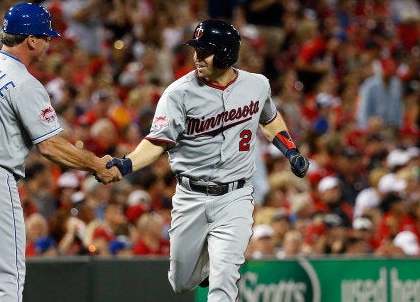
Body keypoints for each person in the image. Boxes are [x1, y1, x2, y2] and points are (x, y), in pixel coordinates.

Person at [106, 20, 309, 301]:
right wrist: (126, 164)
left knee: (225, 281)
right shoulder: (179, 93)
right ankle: (204, 266)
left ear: (227, 53)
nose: (196, 57)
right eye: (196, 50)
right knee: (181, 282)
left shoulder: (257, 85)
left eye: (205, 51)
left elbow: (270, 119)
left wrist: (291, 151)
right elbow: (157, 142)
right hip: (191, 197)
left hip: (236, 196)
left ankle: (218, 265)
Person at [0, 3, 120, 302]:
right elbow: (50, 145)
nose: (48, 42)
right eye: (46, 37)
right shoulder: (23, 81)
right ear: (31, 40)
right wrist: (97, 164)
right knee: (8, 279)